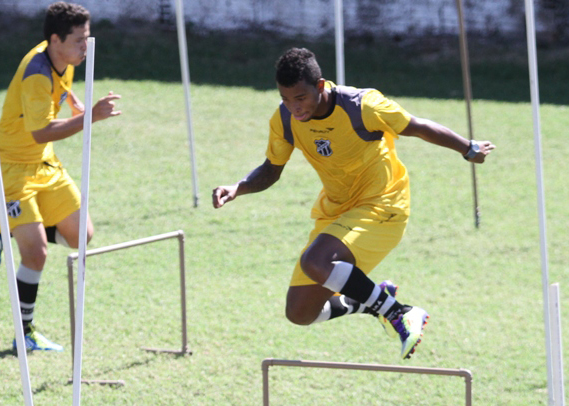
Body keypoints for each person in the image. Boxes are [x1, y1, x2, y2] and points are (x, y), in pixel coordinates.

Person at [212, 47, 494, 359]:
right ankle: (373, 299)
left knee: (314, 261)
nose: (294, 107)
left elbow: (417, 126)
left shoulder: (362, 105)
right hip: (338, 210)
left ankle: (399, 313)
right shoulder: (285, 120)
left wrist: (467, 148)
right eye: (286, 99)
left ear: (320, 87)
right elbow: (271, 169)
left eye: (300, 97)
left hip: (383, 205)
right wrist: (238, 187)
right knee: (300, 312)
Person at [0, 1, 121, 352]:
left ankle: (7, 226)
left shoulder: (65, 60)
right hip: (11, 168)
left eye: (87, 39)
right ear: (55, 40)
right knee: (36, 254)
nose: (85, 47)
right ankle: (24, 333)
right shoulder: (36, 74)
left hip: (45, 165)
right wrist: (90, 116)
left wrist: (73, 101)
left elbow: (59, 90)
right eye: (79, 40)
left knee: (82, 235)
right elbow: (41, 131)